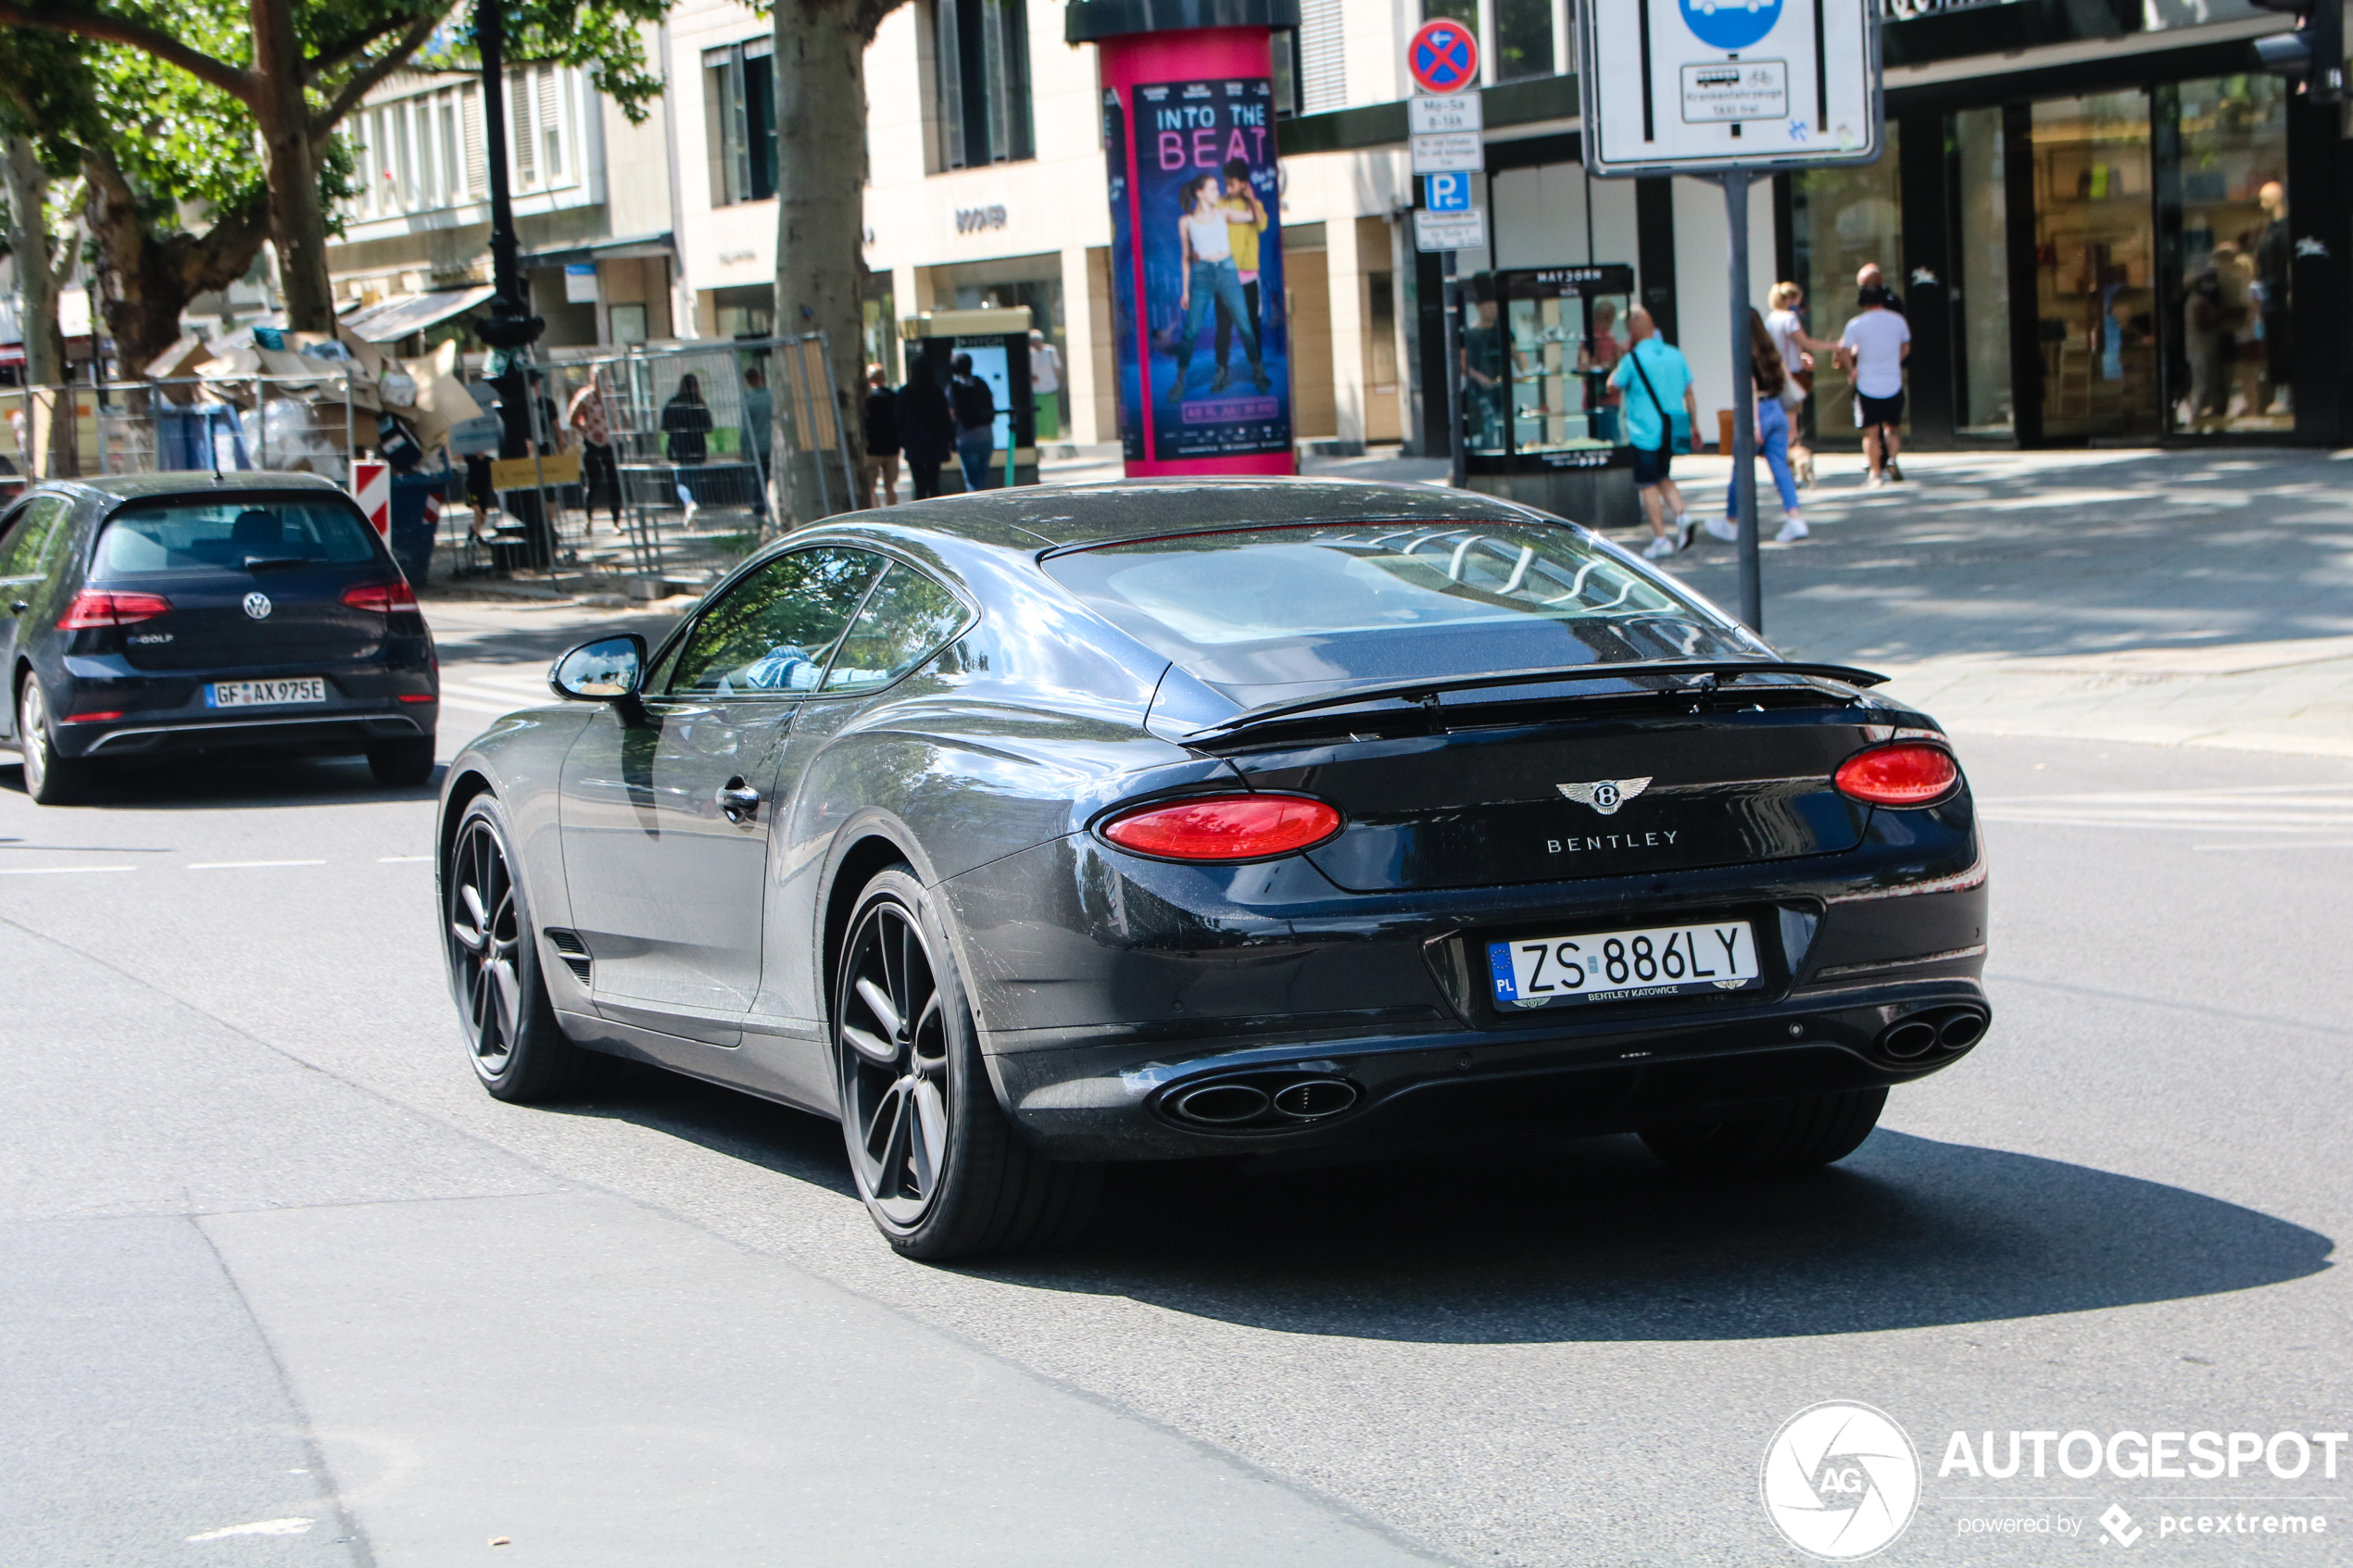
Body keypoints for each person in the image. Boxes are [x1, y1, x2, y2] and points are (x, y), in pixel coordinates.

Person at [1705, 309, 1808, 546]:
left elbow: (1750, 389)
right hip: (1776, 410)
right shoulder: (1770, 350)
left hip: (1757, 412)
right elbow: (1785, 381)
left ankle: (1731, 522)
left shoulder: (1744, 353)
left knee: (1739, 470)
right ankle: (1795, 519)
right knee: (1780, 467)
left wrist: (1754, 425)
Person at [1607, 304, 1701, 559]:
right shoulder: (1675, 354)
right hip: (1671, 429)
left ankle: (1660, 539)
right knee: (1662, 475)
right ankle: (1683, 516)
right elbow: (1689, 393)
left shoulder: (1632, 360)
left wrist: (1621, 357)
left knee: (1648, 485)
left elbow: (1611, 387)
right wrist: (1694, 425)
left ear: (1632, 333)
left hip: (1644, 433)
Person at [1168, 173, 1267, 400]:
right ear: (1200, 193)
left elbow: (1255, 218)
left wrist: (1251, 197)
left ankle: (1258, 372)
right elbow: (1185, 258)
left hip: (1227, 270)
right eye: (1213, 189)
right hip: (1202, 274)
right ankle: (1180, 382)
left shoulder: (1223, 213)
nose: (1217, 192)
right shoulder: (1186, 221)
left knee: (1244, 325)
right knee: (1191, 331)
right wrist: (1185, 290)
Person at [1837, 282, 1910, 488]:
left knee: (1871, 432)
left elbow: (1844, 351)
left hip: (1867, 383)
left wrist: (1852, 369)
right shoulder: (1898, 321)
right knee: (1893, 426)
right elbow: (1905, 347)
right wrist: (1894, 361)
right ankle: (1893, 459)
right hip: (1892, 381)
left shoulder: (1855, 324)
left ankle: (1875, 473)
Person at [1767, 282, 1834, 487]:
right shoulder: (1789, 318)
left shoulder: (1771, 319)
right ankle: (1791, 471)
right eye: (1797, 300)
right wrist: (1834, 345)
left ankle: (1783, 470)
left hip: (1774, 375)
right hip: (1791, 377)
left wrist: (1800, 356)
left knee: (1780, 426)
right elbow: (1805, 342)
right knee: (1792, 427)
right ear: (1789, 300)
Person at [1211, 158, 1270, 382]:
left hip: (1248, 276)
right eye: (1226, 184)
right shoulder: (1220, 205)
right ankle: (1222, 369)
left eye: (1233, 184)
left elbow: (1262, 224)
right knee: (1223, 327)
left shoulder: (1255, 207)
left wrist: (1252, 198)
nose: (1228, 189)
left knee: (1252, 326)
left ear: (1244, 184)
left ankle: (1257, 368)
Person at [567, 374, 622, 531]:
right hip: (592, 443)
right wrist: (586, 432)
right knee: (595, 482)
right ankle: (589, 518)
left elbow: (619, 414)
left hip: (611, 443)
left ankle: (616, 521)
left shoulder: (611, 394)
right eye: (598, 378)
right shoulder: (586, 396)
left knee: (614, 481)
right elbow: (573, 419)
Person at [2255, 181, 2291, 416]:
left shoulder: (2286, 230)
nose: (2261, 203)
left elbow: (2288, 262)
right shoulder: (2269, 230)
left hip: (2281, 296)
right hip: (2269, 297)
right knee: (2275, 344)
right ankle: (2281, 390)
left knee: (2285, 345)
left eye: (2265, 197)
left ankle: (2286, 393)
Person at [898, 357, 953, 500]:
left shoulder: (906, 392)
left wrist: (901, 440)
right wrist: (948, 438)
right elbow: (945, 417)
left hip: (914, 443)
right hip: (935, 442)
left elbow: (897, 418)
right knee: (934, 483)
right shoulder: (937, 391)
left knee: (919, 485)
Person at [1576, 299, 1625, 444]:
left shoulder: (1609, 339)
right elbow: (1584, 366)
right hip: (1598, 398)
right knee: (1608, 443)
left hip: (1609, 398)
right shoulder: (1589, 340)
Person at [948, 351, 997, 492]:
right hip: (986, 435)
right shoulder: (982, 383)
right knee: (982, 475)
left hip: (966, 437)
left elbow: (951, 413)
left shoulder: (953, 388)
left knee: (972, 479)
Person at [862, 363, 901, 506]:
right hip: (891, 447)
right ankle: (892, 515)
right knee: (890, 486)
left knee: (871, 488)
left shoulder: (865, 399)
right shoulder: (893, 396)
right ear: (883, 378)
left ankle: (876, 513)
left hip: (872, 448)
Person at [661, 374, 711, 465]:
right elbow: (708, 427)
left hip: (678, 449)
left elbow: (665, 427)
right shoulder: (699, 404)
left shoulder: (673, 403)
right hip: (697, 449)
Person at [1027, 331, 1063, 443]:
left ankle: (1053, 436)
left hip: (1051, 387)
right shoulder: (1029, 353)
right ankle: (1041, 437)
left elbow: (1058, 367)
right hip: (1036, 389)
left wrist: (1058, 381)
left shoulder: (1050, 351)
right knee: (1039, 415)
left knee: (1051, 413)